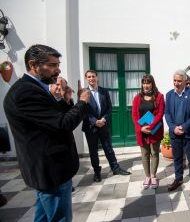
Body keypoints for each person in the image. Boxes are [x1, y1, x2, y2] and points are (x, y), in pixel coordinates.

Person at [3, 44, 90, 221]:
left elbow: (52, 119)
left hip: (49, 171)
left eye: (58, 65)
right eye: (52, 65)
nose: (58, 70)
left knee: (42, 217)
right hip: (50, 171)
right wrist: (83, 102)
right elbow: (63, 124)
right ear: (33, 65)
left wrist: (65, 101)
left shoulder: (35, 88)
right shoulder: (25, 92)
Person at [82, 70, 131, 183]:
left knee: (108, 148)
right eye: (89, 77)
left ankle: (115, 168)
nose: (91, 79)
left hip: (103, 124)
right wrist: (95, 121)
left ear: (97, 77)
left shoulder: (104, 91)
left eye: (93, 76)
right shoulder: (84, 93)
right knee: (93, 151)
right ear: (86, 79)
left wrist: (103, 119)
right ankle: (97, 172)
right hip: (91, 127)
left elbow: (109, 107)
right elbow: (83, 110)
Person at [164, 70, 190, 196]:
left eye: (179, 81)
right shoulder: (169, 95)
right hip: (174, 133)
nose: (176, 83)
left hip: (189, 133)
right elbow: (167, 113)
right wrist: (173, 127)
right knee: (177, 158)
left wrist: (184, 127)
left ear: (185, 81)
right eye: (174, 80)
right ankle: (178, 179)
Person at [131, 74, 164, 189]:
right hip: (142, 131)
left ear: (152, 84)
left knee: (154, 153)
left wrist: (151, 126)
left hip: (154, 130)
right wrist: (140, 128)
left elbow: (160, 113)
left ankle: (153, 176)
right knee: (144, 154)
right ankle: (147, 176)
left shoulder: (159, 97)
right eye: (144, 83)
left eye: (148, 83)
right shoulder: (137, 98)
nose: (146, 85)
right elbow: (134, 115)